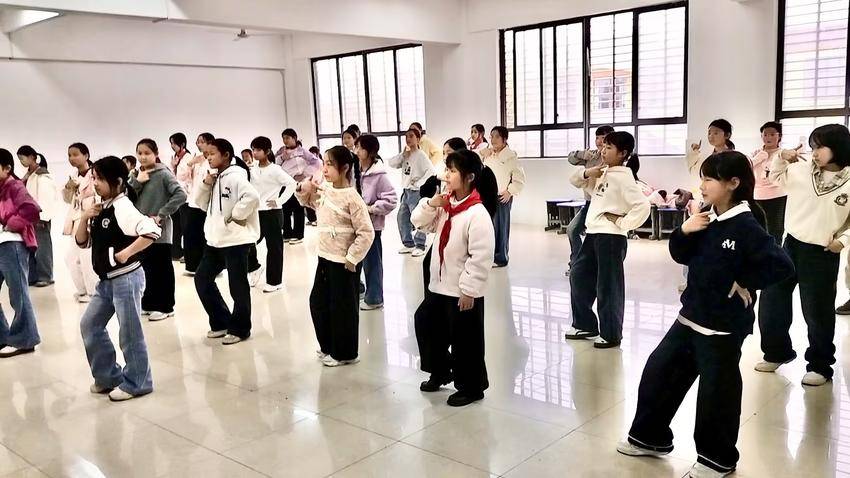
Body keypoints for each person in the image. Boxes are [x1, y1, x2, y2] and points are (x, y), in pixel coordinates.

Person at [617, 151, 794, 478]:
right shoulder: (706, 216)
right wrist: (685, 230)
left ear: (733, 183)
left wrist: (744, 280)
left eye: (709, 179)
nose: (702, 185)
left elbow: (781, 265)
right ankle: (650, 437)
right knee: (659, 372)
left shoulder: (746, 224)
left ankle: (717, 459)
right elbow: (680, 254)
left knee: (716, 393)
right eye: (703, 178)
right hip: (690, 317)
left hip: (722, 327)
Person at [756, 124, 850, 386]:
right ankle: (776, 352)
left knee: (817, 311)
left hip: (822, 252)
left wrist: (843, 241)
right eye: (813, 146)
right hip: (791, 245)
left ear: (839, 148)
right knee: (772, 300)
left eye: (820, 146)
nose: (815, 152)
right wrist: (781, 157)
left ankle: (820, 365)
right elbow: (775, 177)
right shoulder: (801, 169)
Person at [412, 149, 497, 406]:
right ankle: (440, 370)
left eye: (452, 171)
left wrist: (469, 290)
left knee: (466, 341)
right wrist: (431, 204)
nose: (446, 175)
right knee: (426, 324)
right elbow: (418, 222)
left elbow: (481, 256)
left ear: (469, 177)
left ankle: (472, 387)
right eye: (446, 169)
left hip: (462, 291)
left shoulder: (477, 213)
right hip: (439, 286)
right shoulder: (446, 205)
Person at [76, 156, 161, 402]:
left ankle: (138, 382)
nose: (95, 183)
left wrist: (126, 253)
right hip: (106, 282)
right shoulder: (102, 207)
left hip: (126, 279)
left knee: (130, 332)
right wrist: (84, 217)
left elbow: (152, 230)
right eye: (94, 178)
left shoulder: (123, 207)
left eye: (100, 179)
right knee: (90, 325)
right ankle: (107, 377)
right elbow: (82, 241)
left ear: (118, 182)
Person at [564, 131, 651, 348]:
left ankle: (611, 333)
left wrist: (622, 222)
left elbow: (643, 206)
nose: (603, 151)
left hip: (611, 238)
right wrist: (588, 172)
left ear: (623, 153)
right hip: (593, 234)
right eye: (603, 146)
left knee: (608, 286)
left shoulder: (624, 177)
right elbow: (574, 180)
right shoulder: (602, 173)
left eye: (609, 148)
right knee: (578, 275)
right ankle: (585, 325)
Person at [297, 146, 374, 366]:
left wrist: (352, 258)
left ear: (345, 168)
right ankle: (328, 346)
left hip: (344, 263)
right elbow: (308, 203)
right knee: (318, 302)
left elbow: (366, 232)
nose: (325, 169)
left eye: (330, 164)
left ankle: (345, 354)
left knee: (343, 309)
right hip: (325, 257)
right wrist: (304, 188)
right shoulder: (326, 190)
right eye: (324, 163)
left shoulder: (353, 198)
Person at [194, 138, 260, 345]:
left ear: (226, 155)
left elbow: (252, 197)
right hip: (215, 240)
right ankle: (221, 321)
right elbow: (200, 203)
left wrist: (235, 216)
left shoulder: (235, 176)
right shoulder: (214, 177)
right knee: (202, 279)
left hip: (236, 241)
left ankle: (241, 328)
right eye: (207, 154)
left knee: (237, 286)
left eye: (212, 153)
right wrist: (206, 184)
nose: (208, 157)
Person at [128, 139, 186, 322]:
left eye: (147, 153)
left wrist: (161, 214)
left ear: (156, 153)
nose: (143, 157)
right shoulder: (136, 174)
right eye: (140, 153)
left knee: (162, 268)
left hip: (159, 230)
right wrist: (137, 181)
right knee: (146, 268)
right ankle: (149, 303)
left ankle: (166, 306)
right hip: (141, 230)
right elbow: (127, 196)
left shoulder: (163, 174)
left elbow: (181, 195)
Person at [0, 148, 41, 358]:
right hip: (2, 243)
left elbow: (32, 209)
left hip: (12, 244)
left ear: (7, 168)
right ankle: (3, 336)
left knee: (18, 294)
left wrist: (11, 224)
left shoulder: (14, 186)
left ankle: (25, 339)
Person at [248, 136, 296, 293]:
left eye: (258, 150)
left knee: (274, 247)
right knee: (248, 242)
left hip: (272, 212)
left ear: (267, 151)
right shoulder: (252, 170)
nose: (255, 153)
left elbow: (291, 184)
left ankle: (275, 281)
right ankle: (254, 267)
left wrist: (279, 201)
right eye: (253, 149)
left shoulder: (275, 169)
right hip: (256, 212)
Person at [356, 134, 398, 310]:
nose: (356, 151)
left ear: (370, 151)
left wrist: (371, 208)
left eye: (360, 147)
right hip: (357, 224)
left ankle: (375, 298)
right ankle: (361, 290)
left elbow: (392, 200)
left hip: (372, 226)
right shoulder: (356, 170)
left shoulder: (379, 175)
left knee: (372, 262)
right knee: (358, 260)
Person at [566, 125, 615, 276]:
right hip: (589, 204)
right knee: (572, 230)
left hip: (604, 205)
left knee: (598, 238)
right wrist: (583, 154)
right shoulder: (592, 155)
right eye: (597, 138)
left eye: (603, 138)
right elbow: (571, 158)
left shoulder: (611, 157)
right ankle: (576, 263)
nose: (599, 142)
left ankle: (591, 266)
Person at [481, 126, 526, 267]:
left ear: (504, 139)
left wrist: (509, 191)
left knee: (501, 227)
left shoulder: (511, 156)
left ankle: (501, 258)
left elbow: (519, 178)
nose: (493, 139)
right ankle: (489, 256)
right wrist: (484, 152)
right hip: (487, 196)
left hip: (501, 196)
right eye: (491, 136)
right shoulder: (488, 154)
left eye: (496, 136)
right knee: (488, 227)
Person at [389, 128, 435, 257]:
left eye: (411, 136)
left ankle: (420, 245)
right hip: (406, 192)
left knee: (419, 218)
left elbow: (431, 171)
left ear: (418, 139)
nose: (408, 139)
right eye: (406, 136)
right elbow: (392, 163)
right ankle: (408, 244)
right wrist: (402, 155)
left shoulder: (421, 155)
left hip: (416, 192)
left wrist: (419, 183)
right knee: (402, 217)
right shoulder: (406, 154)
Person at [63, 142, 99, 303]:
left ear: (86, 155)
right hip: (76, 221)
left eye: (75, 154)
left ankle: (92, 292)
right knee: (71, 258)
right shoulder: (73, 176)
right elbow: (68, 200)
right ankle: (83, 289)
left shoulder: (95, 174)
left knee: (86, 259)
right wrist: (68, 188)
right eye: (69, 155)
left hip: (90, 220)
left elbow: (99, 196)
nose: (72, 158)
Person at [17, 145, 57, 287]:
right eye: (19, 159)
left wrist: (43, 217)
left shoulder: (43, 175)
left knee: (42, 247)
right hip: (28, 218)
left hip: (40, 218)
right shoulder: (30, 175)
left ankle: (46, 276)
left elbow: (46, 199)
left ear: (32, 157)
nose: (21, 161)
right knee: (30, 247)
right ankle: (33, 277)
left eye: (22, 158)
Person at [276, 128, 321, 244]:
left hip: (297, 183)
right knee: (284, 209)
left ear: (294, 138)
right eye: (283, 138)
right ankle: (287, 233)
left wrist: (305, 174)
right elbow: (275, 164)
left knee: (298, 209)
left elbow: (316, 162)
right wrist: (282, 158)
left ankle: (298, 235)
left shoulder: (303, 151)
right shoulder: (281, 151)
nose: (285, 140)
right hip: (285, 184)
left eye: (287, 138)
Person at [180, 133, 213, 276]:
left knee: (205, 236)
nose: (198, 144)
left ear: (210, 143)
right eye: (197, 142)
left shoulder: (212, 159)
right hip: (193, 201)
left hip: (207, 203)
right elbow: (182, 177)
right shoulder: (196, 159)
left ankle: (208, 266)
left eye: (201, 142)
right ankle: (192, 266)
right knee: (190, 234)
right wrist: (190, 163)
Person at [750, 121, 787, 245]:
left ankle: (775, 253)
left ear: (779, 136)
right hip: (757, 195)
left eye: (772, 134)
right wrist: (759, 157)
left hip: (778, 195)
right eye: (765, 134)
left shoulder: (783, 154)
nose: (768, 137)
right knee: (757, 227)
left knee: (775, 228)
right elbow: (746, 167)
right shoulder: (756, 153)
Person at [169, 133, 193, 262]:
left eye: (173, 143)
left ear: (182, 144)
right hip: (175, 197)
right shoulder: (175, 157)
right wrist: (173, 166)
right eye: (171, 143)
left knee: (185, 226)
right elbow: (172, 177)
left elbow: (189, 178)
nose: (172, 146)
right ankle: (176, 252)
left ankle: (188, 254)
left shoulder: (189, 158)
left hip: (186, 197)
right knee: (175, 225)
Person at [306, 146, 321, 226]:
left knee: (317, 203)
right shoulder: (308, 163)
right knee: (309, 203)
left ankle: (317, 219)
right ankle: (311, 219)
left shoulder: (319, 162)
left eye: (313, 153)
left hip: (317, 184)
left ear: (317, 154)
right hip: (309, 184)